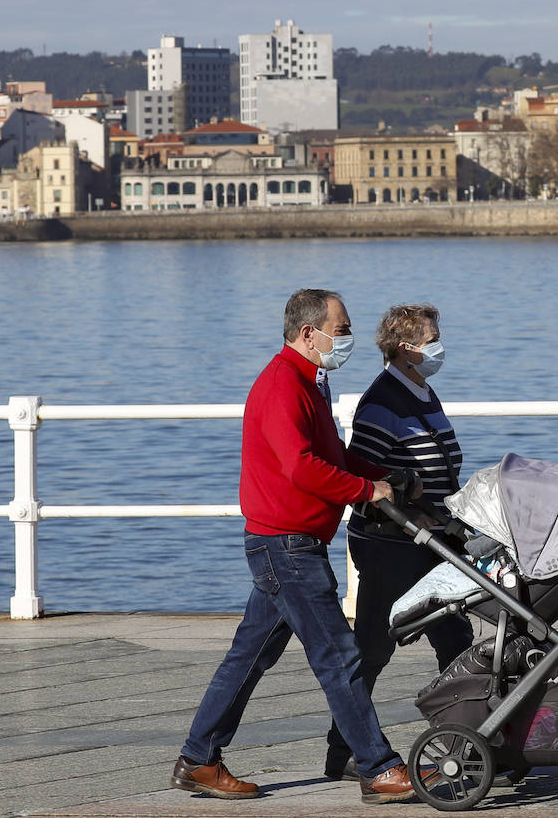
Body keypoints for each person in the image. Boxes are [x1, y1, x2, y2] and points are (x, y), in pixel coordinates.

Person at [170, 288, 418, 805]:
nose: (347, 338)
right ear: (310, 333)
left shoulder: (311, 382)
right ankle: (378, 767)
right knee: (339, 656)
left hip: (283, 541)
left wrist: (383, 476)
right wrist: (364, 492)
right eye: (342, 329)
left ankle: (199, 759)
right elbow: (299, 466)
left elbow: (333, 455)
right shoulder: (283, 385)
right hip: (285, 545)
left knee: (249, 656)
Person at [325, 302, 475, 780]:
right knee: (373, 647)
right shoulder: (382, 403)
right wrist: (409, 490)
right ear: (404, 348)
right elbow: (365, 475)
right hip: (391, 544)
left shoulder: (422, 392)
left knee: (455, 637)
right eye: (430, 339)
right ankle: (344, 748)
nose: (438, 347)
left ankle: (469, 735)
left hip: (431, 542)